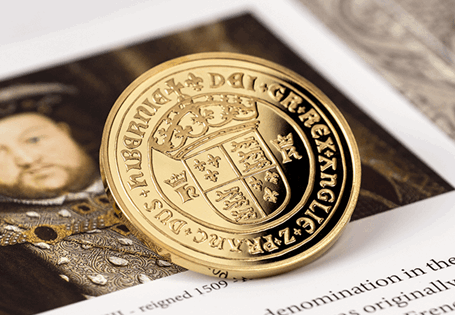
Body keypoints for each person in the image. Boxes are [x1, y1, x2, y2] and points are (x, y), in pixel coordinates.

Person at [0, 84, 183, 315]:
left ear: (65, 132)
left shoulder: (160, 181)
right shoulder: (7, 238)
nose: (26, 159)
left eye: (34, 139)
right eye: (0, 153)